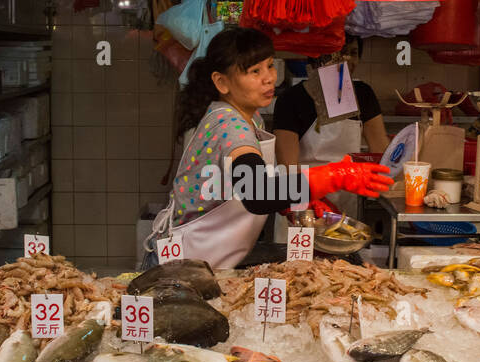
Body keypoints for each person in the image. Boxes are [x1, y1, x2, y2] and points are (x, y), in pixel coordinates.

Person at [141, 28, 393, 269]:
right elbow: (257, 193)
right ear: (221, 82)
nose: (269, 77)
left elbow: (247, 183)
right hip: (180, 264)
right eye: (254, 71)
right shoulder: (229, 125)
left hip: (206, 260)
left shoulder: (251, 118)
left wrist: (296, 201)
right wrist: (333, 176)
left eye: (270, 65)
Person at [272, 69, 389, 214]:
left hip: (346, 201)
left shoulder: (362, 94)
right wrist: (311, 199)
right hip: (301, 199)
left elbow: (381, 151)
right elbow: (287, 168)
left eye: (353, 53)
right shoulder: (291, 98)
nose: (346, 60)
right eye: (338, 54)